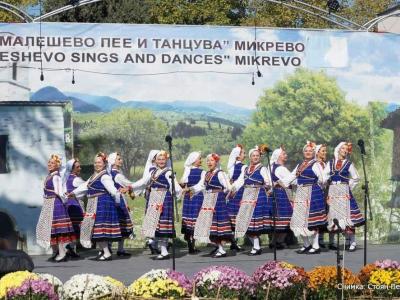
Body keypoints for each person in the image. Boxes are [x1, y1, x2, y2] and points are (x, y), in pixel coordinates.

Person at [69, 152, 124, 261]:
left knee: (99, 229)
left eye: (99, 162)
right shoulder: (94, 175)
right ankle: (104, 251)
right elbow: (85, 186)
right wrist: (73, 193)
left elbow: (113, 191)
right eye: (95, 162)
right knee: (94, 228)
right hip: (94, 203)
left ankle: (106, 253)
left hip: (102, 204)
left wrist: (118, 201)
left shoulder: (104, 177)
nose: (96, 164)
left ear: (104, 164)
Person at [130, 150, 182, 260]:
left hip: (163, 199)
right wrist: (130, 186)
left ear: (166, 160)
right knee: (156, 225)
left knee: (162, 225)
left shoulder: (168, 172)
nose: (161, 161)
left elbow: (176, 187)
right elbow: (143, 181)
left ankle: (164, 251)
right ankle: (160, 248)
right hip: (154, 199)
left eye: (163, 159)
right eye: (159, 159)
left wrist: (177, 197)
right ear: (156, 161)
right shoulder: (153, 172)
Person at [286, 142, 327, 255]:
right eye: (306, 151)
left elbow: (323, 179)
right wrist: (281, 183)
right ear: (303, 152)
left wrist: (313, 186)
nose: (308, 152)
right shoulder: (300, 164)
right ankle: (306, 244)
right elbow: (291, 177)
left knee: (312, 220)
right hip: (301, 192)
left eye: (310, 151)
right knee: (300, 220)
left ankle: (315, 245)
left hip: (312, 192)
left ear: (313, 152)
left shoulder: (316, 164)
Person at [231, 145, 273, 255]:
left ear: (260, 157)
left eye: (257, 155)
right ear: (250, 157)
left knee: (253, 223)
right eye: (253, 156)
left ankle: (256, 247)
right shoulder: (245, 169)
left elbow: (268, 182)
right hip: (246, 196)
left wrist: (268, 189)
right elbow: (239, 181)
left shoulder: (262, 168)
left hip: (258, 196)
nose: (255, 157)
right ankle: (256, 246)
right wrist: (231, 189)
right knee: (244, 221)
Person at [324, 142, 364, 252]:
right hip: (333, 190)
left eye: (346, 149)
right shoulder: (330, 163)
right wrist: (326, 182)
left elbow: (356, 178)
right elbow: (324, 176)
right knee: (333, 215)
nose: (345, 151)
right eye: (343, 148)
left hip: (343, 191)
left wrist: (348, 185)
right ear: (338, 150)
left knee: (347, 216)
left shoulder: (348, 164)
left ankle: (352, 242)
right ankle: (332, 242)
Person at [191, 153, 233, 258]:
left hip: (217, 201)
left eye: (211, 160)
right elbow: (201, 185)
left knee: (218, 225)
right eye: (208, 161)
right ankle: (219, 248)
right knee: (211, 225)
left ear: (216, 162)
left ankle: (221, 249)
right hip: (208, 200)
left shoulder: (220, 173)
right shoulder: (207, 174)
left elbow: (228, 187)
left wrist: (222, 197)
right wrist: (190, 190)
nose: (209, 162)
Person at [36, 154, 76, 262]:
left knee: (57, 230)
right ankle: (57, 252)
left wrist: (64, 202)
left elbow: (59, 192)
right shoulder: (50, 175)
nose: (49, 164)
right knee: (50, 229)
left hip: (55, 204)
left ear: (57, 165)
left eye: (52, 163)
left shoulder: (56, 177)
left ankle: (62, 253)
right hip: (49, 203)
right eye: (49, 162)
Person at [107, 152, 134, 257]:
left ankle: (110, 247)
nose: (121, 160)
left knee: (114, 224)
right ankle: (120, 249)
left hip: (112, 200)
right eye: (119, 159)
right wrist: (129, 188)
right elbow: (130, 184)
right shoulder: (117, 175)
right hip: (119, 201)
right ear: (113, 161)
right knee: (121, 224)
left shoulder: (111, 173)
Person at [269, 146, 294, 249]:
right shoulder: (280, 168)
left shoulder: (273, 167)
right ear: (278, 156)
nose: (286, 155)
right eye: (284, 154)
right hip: (281, 194)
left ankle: (274, 241)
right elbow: (292, 180)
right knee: (286, 217)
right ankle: (279, 241)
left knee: (278, 217)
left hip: (276, 193)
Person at [180, 152, 205, 254]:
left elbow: (201, 184)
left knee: (193, 219)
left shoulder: (201, 172)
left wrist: (187, 187)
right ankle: (191, 244)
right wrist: (182, 184)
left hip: (193, 196)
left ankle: (192, 244)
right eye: (199, 158)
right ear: (194, 160)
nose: (201, 160)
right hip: (194, 197)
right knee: (192, 219)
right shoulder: (191, 170)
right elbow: (183, 181)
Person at [62, 158, 85, 258]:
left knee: (72, 228)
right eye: (77, 167)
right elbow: (87, 186)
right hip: (75, 205)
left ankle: (70, 249)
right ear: (72, 169)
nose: (80, 168)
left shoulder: (65, 179)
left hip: (67, 205)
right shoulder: (76, 179)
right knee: (77, 228)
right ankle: (69, 247)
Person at [226, 144, 246, 252]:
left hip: (231, 193)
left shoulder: (231, 167)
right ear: (238, 156)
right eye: (243, 153)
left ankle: (234, 242)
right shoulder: (244, 167)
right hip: (239, 192)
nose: (245, 155)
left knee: (232, 217)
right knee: (238, 217)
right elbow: (242, 180)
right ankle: (235, 242)